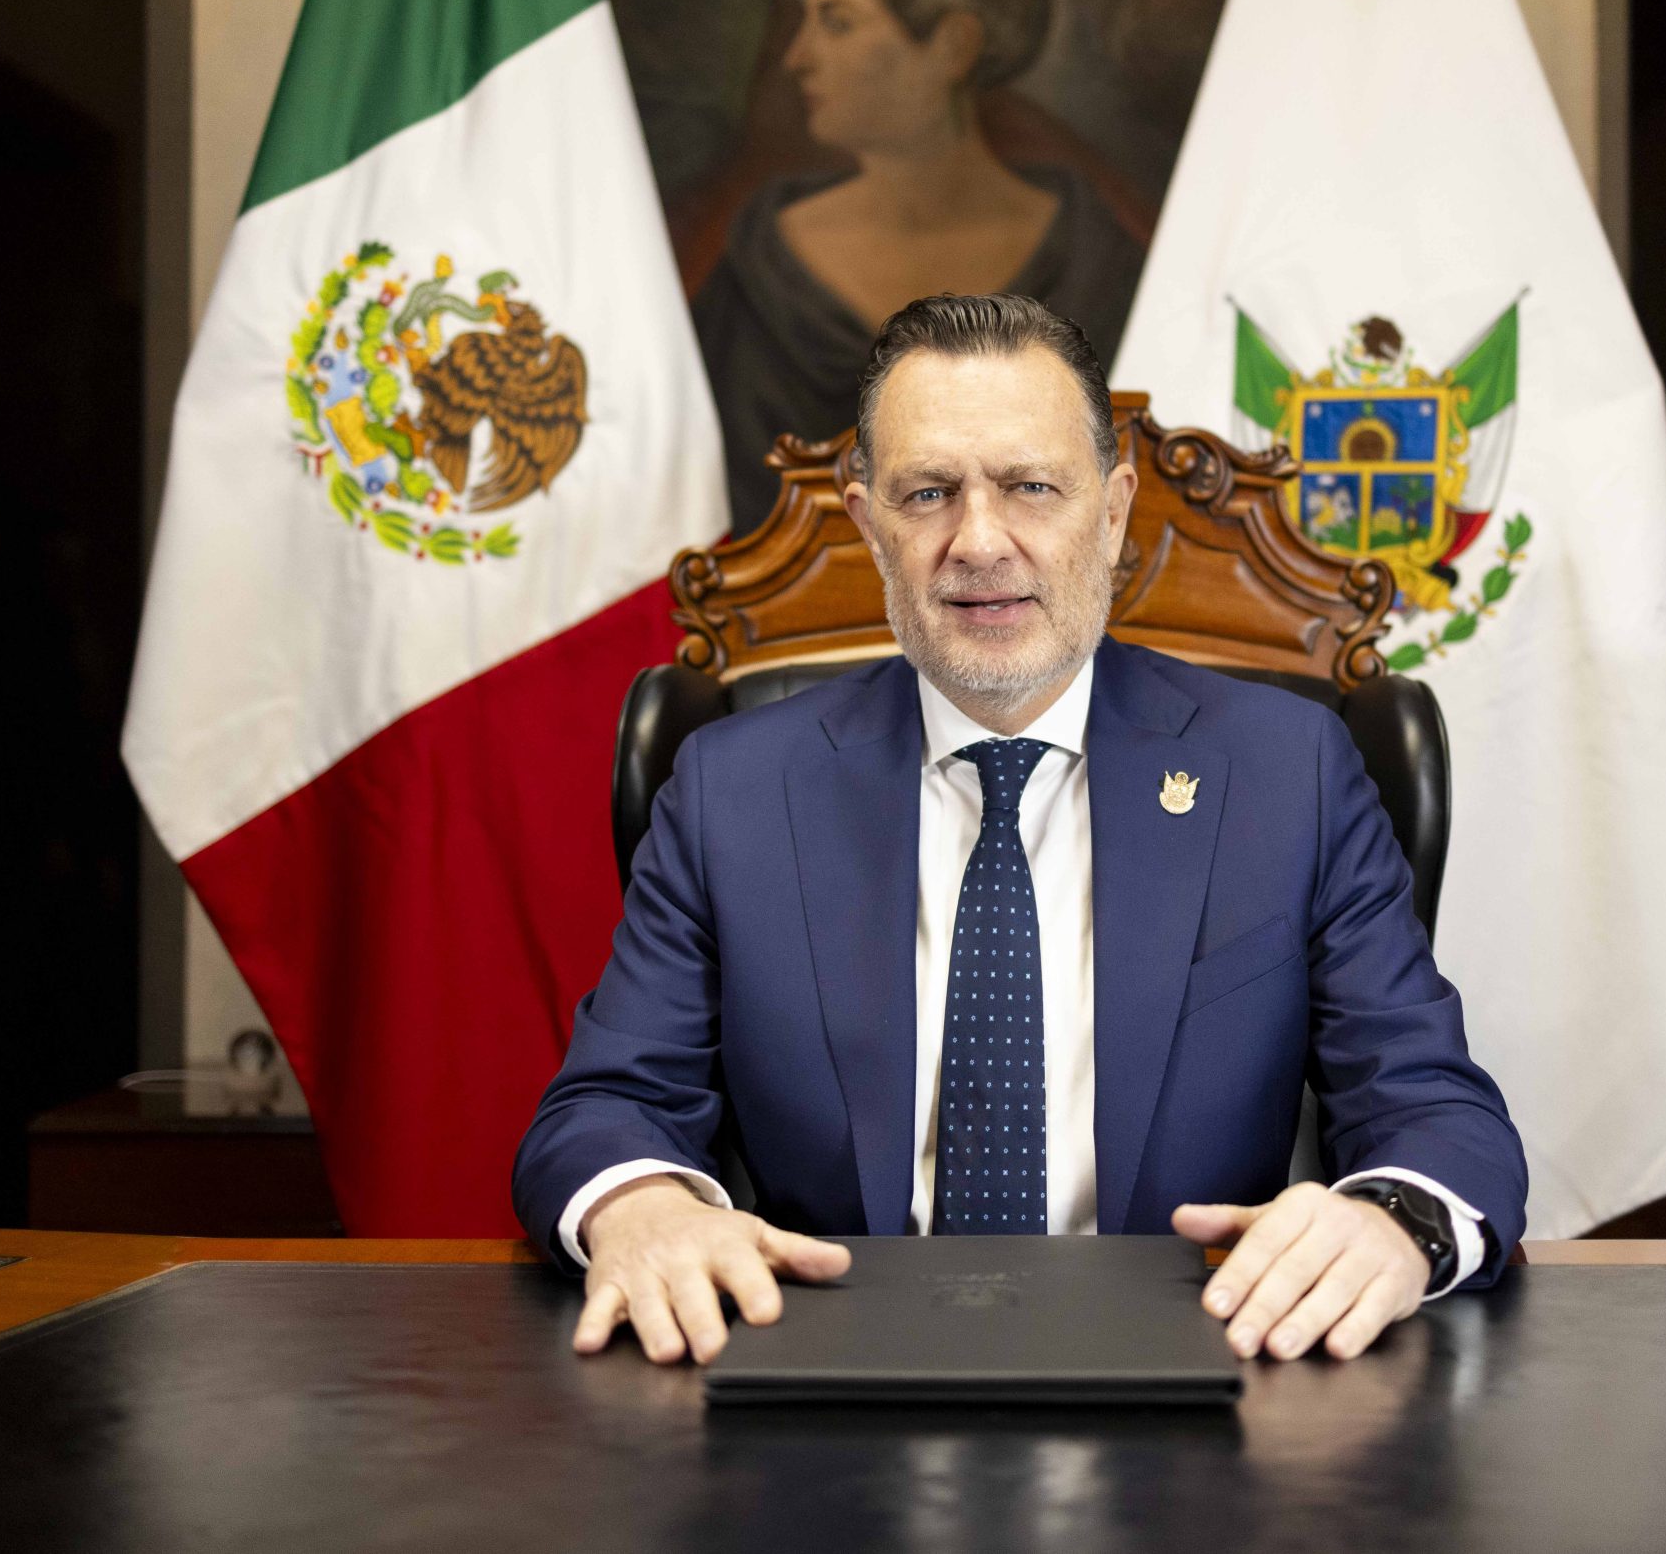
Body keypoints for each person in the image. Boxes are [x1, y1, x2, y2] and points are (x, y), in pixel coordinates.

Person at [514, 295, 1525, 1367]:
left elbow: (1436, 1110)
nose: (980, 541)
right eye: (928, 494)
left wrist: (1390, 1225)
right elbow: (605, 1108)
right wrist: (640, 1207)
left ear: (1113, 511)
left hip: (1199, 1367)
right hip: (827, 1370)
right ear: (868, 523)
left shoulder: (1288, 773)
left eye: (1032, 487)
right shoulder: (734, 789)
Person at [694, 0, 1146, 535]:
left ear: (953, 45)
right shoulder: (760, 252)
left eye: (838, 22)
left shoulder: (1090, 255)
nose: (797, 57)